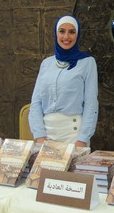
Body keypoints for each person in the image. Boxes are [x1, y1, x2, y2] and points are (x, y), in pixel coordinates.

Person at [28, 15, 99, 147]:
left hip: (74, 136)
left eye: (72, 32)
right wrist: (39, 137)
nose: (66, 37)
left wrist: (82, 140)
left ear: (77, 35)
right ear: (56, 33)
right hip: (46, 135)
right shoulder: (46, 64)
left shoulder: (87, 63)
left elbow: (91, 104)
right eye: (62, 31)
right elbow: (36, 103)